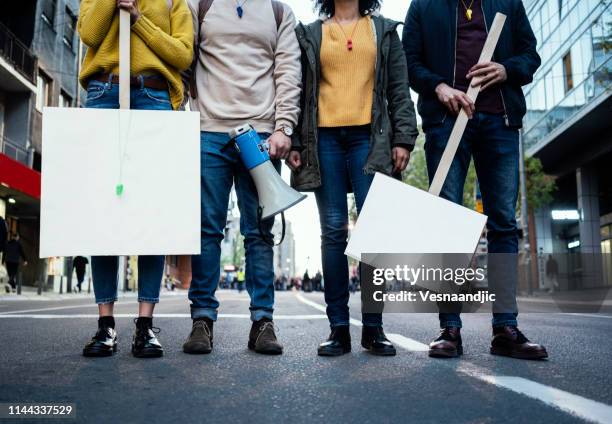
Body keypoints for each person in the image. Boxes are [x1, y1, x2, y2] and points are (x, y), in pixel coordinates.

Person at [403, 0, 547, 359]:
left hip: (499, 121)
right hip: (446, 123)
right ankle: (449, 327)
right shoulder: (423, 6)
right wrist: (438, 87)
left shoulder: (507, 3)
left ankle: (505, 328)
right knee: (448, 225)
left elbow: (530, 55)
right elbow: (408, 62)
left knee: (503, 223)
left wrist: (505, 69)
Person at [288, 0, 418, 356]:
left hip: (370, 138)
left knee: (373, 234)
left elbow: (398, 90)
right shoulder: (311, 33)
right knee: (332, 231)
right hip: (324, 140)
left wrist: (404, 138)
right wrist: (297, 140)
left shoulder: (384, 30)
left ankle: (373, 329)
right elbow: (300, 92)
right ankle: (339, 329)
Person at [183, 0, 301, 356]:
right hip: (209, 131)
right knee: (207, 229)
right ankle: (202, 319)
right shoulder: (199, 5)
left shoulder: (279, 12)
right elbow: (183, 61)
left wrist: (284, 127)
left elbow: (288, 72)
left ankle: (263, 321)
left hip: (262, 135)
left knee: (259, 232)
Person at [77, 0, 194, 358]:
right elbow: (89, 33)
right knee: (104, 211)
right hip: (102, 94)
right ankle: (105, 323)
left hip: (154, 97)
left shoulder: (175, 2)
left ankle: (145, 324)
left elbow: (183, 54)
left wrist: (140, 20)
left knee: (150, 213)